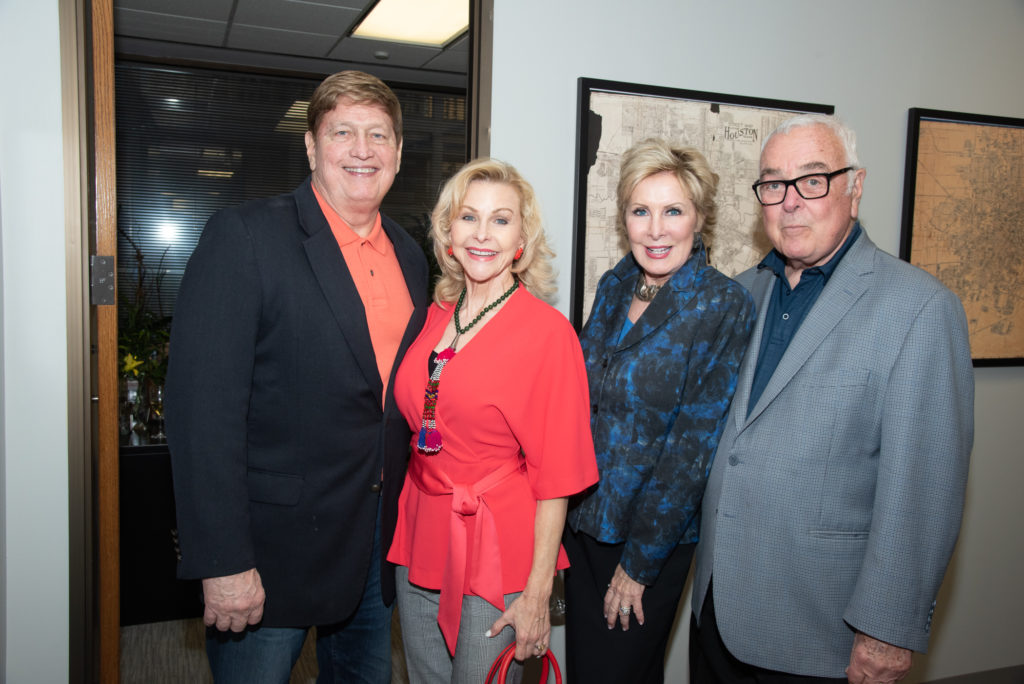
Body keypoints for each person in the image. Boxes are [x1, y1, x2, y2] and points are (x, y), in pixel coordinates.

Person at [690, 114, 974, 684]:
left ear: (855, 186)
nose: (790, 201)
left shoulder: (918, 309)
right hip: (718, 613)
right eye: (773, 183)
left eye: (812, 180)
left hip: (822, 634)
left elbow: (924, 489)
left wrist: (888, 629)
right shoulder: (743, 294)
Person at [165, 70, 429, 683]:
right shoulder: (247, 237)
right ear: (311, 147)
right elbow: (202, 413)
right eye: (342, 132)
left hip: (373, 547)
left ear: (398, 154)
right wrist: (223, 561)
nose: (362, 150)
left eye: (378, 135)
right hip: (267, 553)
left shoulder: (412, 255)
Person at [385, 158, 599, 683]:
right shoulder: (433, 314)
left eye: (501, 220)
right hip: (419, 533)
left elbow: (558, 479)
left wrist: (538, 593)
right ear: (448, 233)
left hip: (496, 547)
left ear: (522, 238)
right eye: (468, 217)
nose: (483, 234)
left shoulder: (548, 335)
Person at [562, 139, 755, 683]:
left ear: (699, 219)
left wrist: (639, 565)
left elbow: (693, 448)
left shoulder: (721, 304)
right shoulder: (615, 283)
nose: (655, 229)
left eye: (673, 211)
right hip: (584, 525)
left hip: (647, 539)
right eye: (640, 211)